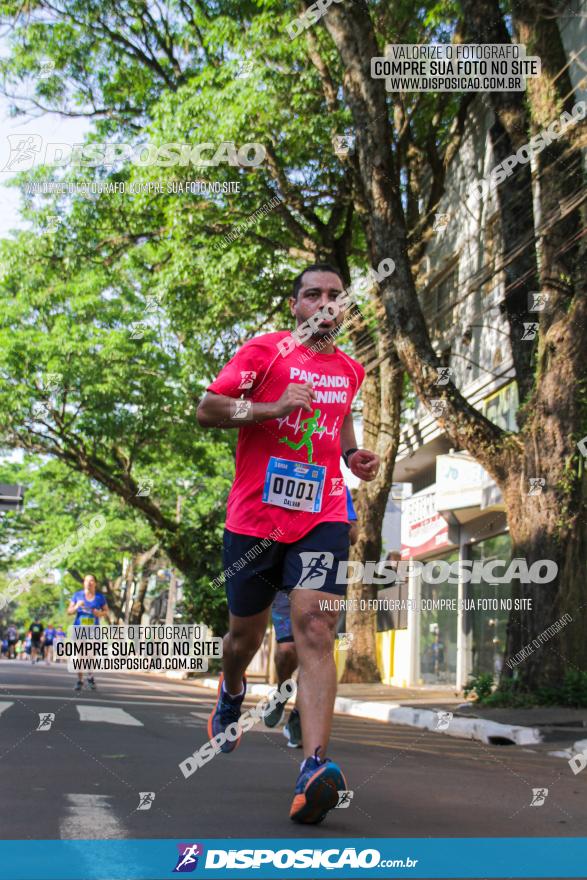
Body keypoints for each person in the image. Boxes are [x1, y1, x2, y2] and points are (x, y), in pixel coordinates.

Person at [197, 263, 380, 824]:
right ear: (296, 305)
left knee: (317, 628)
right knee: (243, 636)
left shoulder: (351, 369)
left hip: (323, 512)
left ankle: (315, 768)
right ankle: (230, 691)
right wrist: (270, 408)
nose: (325, 303)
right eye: (313, 295)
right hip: (255, 520)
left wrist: (352, 457)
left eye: (335, 296)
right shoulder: (264, 352)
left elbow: (340, 422)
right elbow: (207, 409)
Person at [263, 487, 359, 748]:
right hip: (283, 581)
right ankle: (283, 692)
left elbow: (353, 533)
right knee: (287, 650)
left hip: (316, 573)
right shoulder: (278, 476)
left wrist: (331, 521)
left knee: (314, 646)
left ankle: (298, 714)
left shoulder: (336, 485)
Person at [67, 574, 109, 692]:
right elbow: (69, 612)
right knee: (80, 656)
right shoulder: (77, 595)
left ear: (95, 583)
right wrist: (76, 606)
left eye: (91, 581)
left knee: (91, 655)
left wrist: (99, 614)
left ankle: (90, 677)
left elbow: (106, 611)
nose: (88, 583)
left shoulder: (100, 597)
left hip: (93, 630)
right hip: (79, 629)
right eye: (86, 581)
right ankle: (80, 680)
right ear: (83, 583)